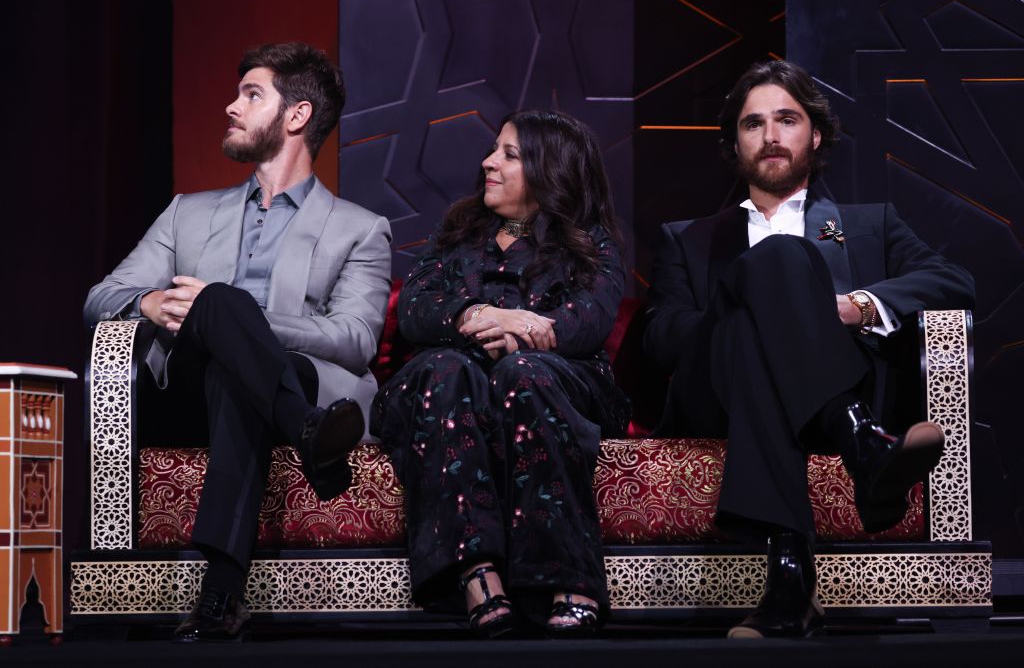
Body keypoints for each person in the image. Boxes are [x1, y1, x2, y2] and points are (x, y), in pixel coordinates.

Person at [643, 59, 974, 638]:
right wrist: (742, 307)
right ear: (735, 143)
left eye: (787, 120)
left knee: (780, 270)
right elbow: (661, 337)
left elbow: (954, 281)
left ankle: (789, 586)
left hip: (825, 383)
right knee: (774, 265)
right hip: (714, 398)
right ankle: (862, 440)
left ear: (814, 135)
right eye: (753, 124)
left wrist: (856, 305)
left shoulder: (870, 224)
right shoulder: (688, 238)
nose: (771, 136)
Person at [83, 42, 392, 642]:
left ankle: (219, 596)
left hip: (285, 379)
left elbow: (354, 341)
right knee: (221, 326)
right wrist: (148, 303)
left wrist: (238, 318)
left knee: (231, 341)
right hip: (189, 392)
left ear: (296, 116)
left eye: (252, 94)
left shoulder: (360, 229)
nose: (232, 105)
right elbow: (100, 297)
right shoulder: (187, 214)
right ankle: (307, 430)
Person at [371, 110, 631, 638]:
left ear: (548, 170)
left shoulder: (590, 243)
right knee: (446, 369)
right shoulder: (459, 232)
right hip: (452, 387)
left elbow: (588, 321)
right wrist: (476, 315)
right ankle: (475, 574)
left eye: (509, 154)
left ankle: (568, 575)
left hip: (555, 383)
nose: (488, 162)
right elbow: (418, 307)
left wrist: (520, 331)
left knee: (523, 372)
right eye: (495, 150)